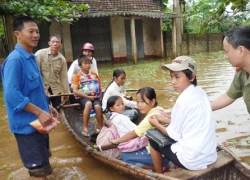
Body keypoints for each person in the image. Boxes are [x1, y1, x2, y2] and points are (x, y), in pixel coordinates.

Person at [1, 16, 58, 179]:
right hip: (27, 128)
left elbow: (35, 91)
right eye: (31, 31)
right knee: (39, 173)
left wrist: (48, 107)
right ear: (18, 34)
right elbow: (12, 94)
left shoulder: (31, 58)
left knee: (44, 165)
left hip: (40, 125)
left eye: (37, 31)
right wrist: (40, 112)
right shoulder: (15, 60)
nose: (36, 35)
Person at [148, 56, 217, 173]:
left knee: (152, 139)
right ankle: (177, 168)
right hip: (210, 156)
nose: (173, 82)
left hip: (192, 160)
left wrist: (156, 124)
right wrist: (165, 120)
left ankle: (159, 175)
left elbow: (172, 134)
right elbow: (188, 122)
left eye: (177, 77)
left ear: (192, 77)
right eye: (171, 77)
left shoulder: (182, 101)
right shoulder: (201, 93)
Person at [111, 87, 170, 170]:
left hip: (160, 156)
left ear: (152, 101)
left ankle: (157, 168)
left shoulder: (150, 118)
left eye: (142, 101)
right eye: (138, 101)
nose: (139, 105)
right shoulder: (159, 110)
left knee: (125, 156)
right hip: (166, 152)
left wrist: (116, 141)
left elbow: (132, 134)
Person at [211, 26, 250, 114]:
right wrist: (201, 109)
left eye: (227, 51)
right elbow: (229, 96)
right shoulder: (242, 72)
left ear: (241, 50)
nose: (226, 56)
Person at [35, 34, 69, 111]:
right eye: (53, 41)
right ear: (49, 43)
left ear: (61, 44)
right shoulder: (40, 54)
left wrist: (66, 92)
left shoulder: (62, 59)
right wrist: (43, 88)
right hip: (41, 88)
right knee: (43, 110)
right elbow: (35, 73)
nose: (55, 44)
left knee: (57, 110)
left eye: (58, 42)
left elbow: (63, 77)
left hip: (55, 88)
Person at [72, 55, 103, 138]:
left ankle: (101, 127)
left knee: (97, 107)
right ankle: (85, 128)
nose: (88, 65)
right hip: (84, 98)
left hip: (94, 97)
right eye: (85, 63)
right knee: (88, 104)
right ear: (80, 65)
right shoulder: (77, 76)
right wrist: (88, 97)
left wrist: (100, 95)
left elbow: (99, 86)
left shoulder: (94, 74)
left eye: (89, 63)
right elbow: (75, 91)